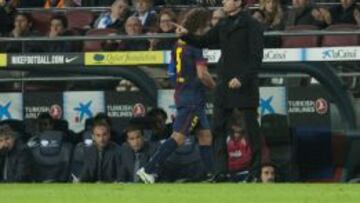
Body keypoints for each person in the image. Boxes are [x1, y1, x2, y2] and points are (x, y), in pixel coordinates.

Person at [174, 0, 264, 180]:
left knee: (251, 129)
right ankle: (220, 172)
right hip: (224, 84)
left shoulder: (252, 24)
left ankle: (255, 173)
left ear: (238, 2)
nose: (224, 1)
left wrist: (242, 78)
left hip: (244, 85)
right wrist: (186, 35)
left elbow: (256, 57)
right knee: (218, 129)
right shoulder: (223, 23)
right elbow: (204, 40)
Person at [136, 8, 216, 184]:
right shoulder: (196, 45)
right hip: (192, 98)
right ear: (201, 25)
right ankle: (148, 169)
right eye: (208, 24)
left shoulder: (179, 43)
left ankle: (212, 175)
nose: (209, 27)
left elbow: (173, 70)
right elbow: (202, 74)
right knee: (178, 136)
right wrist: (215, 87)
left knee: (205, 135)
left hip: (183, 92)